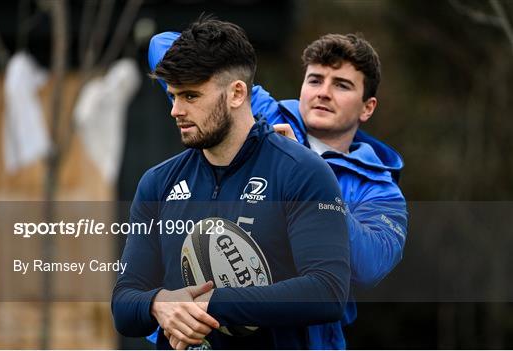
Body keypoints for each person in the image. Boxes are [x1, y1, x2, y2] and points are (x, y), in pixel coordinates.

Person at [149, 29, 408, 349]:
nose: (323, 92)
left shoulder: (380, 190)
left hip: (296, 336)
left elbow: (368, 267)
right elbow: (161, 45)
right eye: (315, 80)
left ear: (367, 107)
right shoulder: (263, 112)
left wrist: (305, 171)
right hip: (202, 326)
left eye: (341, 85)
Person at [111, 17, 351, 350]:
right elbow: (124, 302)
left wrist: (209, 305)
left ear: (237, 93)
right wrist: (158, 304)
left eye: (191, 96)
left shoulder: (302, 172)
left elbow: (327, 292)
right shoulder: (157, 183)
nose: (175, 110)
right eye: (173, 95)